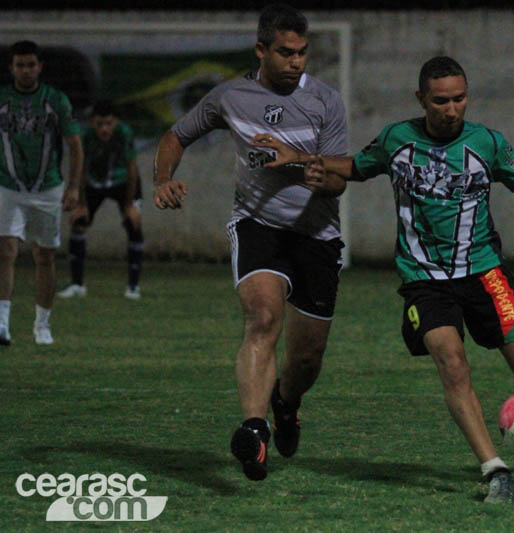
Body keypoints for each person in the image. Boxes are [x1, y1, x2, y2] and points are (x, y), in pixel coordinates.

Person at [255, 56, 514, 503]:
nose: (451, 110)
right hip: (424, 280)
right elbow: (356, 167)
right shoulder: (397, 139)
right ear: (421, 99)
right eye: (440, 101)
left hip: (485, 273)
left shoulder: (488, 144)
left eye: (459, 99)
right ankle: (495, 470)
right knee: (452, 363)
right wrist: (301, 158)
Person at [152, 4, 348, 481]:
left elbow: (337, 181)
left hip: (316, 235)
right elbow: (176, 136)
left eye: (302, 52)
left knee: (307, 358)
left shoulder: (326, 101)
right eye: (285, 52)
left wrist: (297, 161)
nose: (296, 61)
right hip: (258, 225)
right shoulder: (229, 96)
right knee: (262, 318)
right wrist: (162, 178)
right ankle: (255, 431)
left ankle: (286, 403)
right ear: (261, 49)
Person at [0, 40, 83, 346]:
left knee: (45, 255)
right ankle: (2, 324)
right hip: (8, 186)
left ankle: (42, 325)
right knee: (5, 251)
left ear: (40, 67)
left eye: (31, 65)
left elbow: (75, 146)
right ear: (11, 68)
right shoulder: (2, 98)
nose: (26, 70)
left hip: (48, 188)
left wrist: (73, 186)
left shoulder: (56, 100)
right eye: (20, 65)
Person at [57, 99, 144, 300]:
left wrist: (130, 205)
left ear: (115, 122)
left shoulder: (124, 133)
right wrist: (81, 203)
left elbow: (132, 168)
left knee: (134, 225)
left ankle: (133, 286)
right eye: (99, 124)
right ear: (92, 122)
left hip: (122, 182)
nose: (104, 129)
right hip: (94, 182)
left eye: (109, 123)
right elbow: (80, 168)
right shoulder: (85, 136)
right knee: (78, 223)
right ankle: (77, 284)